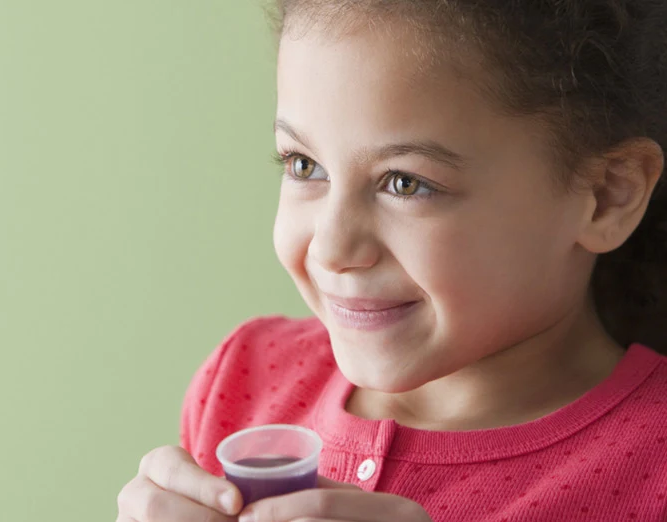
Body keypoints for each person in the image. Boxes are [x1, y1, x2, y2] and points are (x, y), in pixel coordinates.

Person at [116, 1, 667, 520]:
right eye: (304, 165)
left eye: (405, 183)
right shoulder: (245, 379)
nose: (332, 248)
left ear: (606, 195)